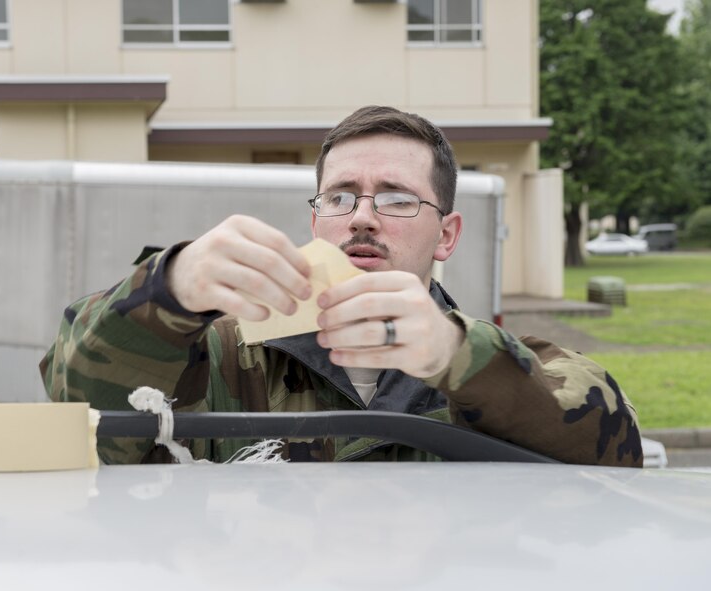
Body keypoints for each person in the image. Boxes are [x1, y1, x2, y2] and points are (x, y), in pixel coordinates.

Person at [40, 105, 643, 467]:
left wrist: (454, 355)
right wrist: (165, 290)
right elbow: (76, 414)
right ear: (316, 221)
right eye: (341, 196)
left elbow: (618, 447)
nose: (361, 215)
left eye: (397, 198)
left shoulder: (494, 371)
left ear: (447, 235)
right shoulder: (220, 352)